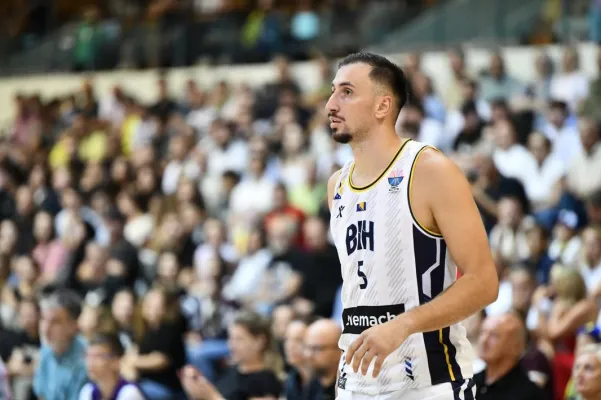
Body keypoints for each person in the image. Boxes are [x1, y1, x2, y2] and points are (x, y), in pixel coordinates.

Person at [326, 52, 499, 398]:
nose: (331, 104)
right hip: (355, 383)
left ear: (382, 106)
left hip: (428, 381)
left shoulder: (430, 169)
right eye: (333, 92)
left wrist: (403, 325)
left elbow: (483, 283)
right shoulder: (336, 186)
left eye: (347, 92)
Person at [474, 313, 546, 399]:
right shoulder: (469, 383)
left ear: (516, 347)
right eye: (482, 333)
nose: (484, 340)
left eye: (494, 335)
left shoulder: (528, 394)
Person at [33, 289, 88, 400]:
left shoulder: (86, 359)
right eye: (43, 319)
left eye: (55, 322)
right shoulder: (45, 351)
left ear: (73, 325)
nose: (45, 329)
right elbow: (42, 395)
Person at [79, 333, 145, 400]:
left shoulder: (129, 392)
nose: (91, 362)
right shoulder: (87, 390)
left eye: (98, 356)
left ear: (116, 361)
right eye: (88, 356)